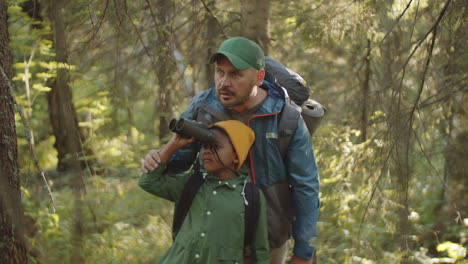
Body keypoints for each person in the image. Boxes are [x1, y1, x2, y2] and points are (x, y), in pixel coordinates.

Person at [141, 37, 320, 264]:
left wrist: (303, 253)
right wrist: (159, 156)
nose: (224, 82)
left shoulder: (286, 118)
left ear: (259, 77)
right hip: (212, 239)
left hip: (268, 239)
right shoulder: (203, 106)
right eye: (220, 72)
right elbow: (178, 162)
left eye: (235, 74)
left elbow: (306, 186)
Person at [139, 120, 269, 263]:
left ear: (236, 156)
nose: (207, 151)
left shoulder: (250, 196)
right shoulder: (192, 183)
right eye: (205, 146)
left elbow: (260, 249)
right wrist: (173, 145)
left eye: (215, 147)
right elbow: (148, 182)